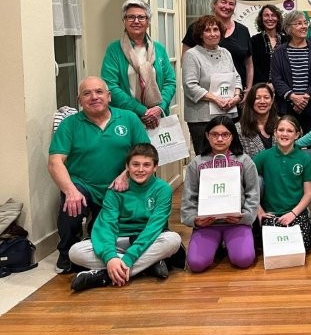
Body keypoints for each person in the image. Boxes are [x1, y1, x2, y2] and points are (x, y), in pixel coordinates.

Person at [48, 76, 150, 274]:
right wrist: (70, 191)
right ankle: (67, 252)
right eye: (87, 93)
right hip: (84, 185)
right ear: (79, 100)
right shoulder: (69, 124)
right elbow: (55, 162)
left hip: (120, 186)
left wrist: (126, 174)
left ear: (109, 96)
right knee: (71, 205)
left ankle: (129, 252)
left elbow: (146, 154)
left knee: (129, 223)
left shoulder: (128, 118)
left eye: (99, 92)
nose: (94, 97)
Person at [68, 143, 182, 291]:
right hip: (118, 240)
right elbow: (106, 225)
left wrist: (128, 258)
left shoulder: (163, 189)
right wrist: (110, 257)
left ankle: (104, 275)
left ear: (155, 167)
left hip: (148, 240)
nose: (140, 169)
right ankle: (146, 265)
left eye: (146, 165)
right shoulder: (116, 189)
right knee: (75, 252)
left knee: (173, 240)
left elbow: (154, 227)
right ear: (127, 166)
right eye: (135, 164)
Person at [180, 116, 259, 272]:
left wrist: (244, 217)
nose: (220, 139)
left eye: (225, 134)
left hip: (237, 223)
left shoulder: (245, 161)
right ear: (207, 136)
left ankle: (226, 244)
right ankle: (216, 245)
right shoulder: (196, 163)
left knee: (244, 260)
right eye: (215, 134)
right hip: (207, 224)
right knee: (196, 264)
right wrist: (195, 220)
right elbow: (189, 197)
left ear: (232, 136)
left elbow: (253, 193)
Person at [100, 0, 176, 130]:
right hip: (126, 117)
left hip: (157, 117)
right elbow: (110, 85)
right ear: (124, 21)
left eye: (141, 17)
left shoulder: (158, 49)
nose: (136, 21)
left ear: (148, 22)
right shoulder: (114, 50)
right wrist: (142, 110)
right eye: (130, 17)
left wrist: (159, 108)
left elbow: (170, 82)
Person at [252, 114, 311, 252]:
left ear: (297, 135)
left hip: (296, 212)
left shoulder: (305, 159)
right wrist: (259, 210)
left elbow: (309, 193)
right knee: (273, 248)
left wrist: (293, 213)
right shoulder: (264, 156)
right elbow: (246, 184)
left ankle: (306, 222)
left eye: (290, 131)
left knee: (302, 246)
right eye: (281, 130)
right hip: (271, 213)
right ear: (275, 132)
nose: (284, 134)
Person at [182, 14, 243, 154]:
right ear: (200, 34)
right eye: (207, 30)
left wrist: (236, 96)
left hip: (226, 115)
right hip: (202, 118)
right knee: (206, 159)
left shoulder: (226, 53)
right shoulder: (192, 54)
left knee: (230, 156)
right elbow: (190, 86)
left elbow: (236, 77)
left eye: (215, 29)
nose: (212, 34)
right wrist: (216, 99)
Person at [182, 0, 253, 92]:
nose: (227, 7)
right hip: (205, 93)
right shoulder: (196, 28)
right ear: (214, 4)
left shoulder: (243, 30)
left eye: (231, 4)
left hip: (236, 92)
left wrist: (248, 89)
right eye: (223, 2)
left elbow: (249, 64)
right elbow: (185, 60)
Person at [271, 10, 311, 135]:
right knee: (287, 141)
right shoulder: (279, 52)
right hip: (287, 108)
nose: (304, 26)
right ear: (288, 28)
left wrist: (305, 98)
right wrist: (293, 97)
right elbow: (276, 78)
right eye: (299, 23)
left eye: (305, 23)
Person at [235, 83, 278, 157]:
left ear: (272, 100)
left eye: (266, 97)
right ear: (251, 101)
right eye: (257, 98)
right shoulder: (238, 129)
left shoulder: (282, 124)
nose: (262, 101)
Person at [250, 4, 287, 85]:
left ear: (278, 19)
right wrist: (266, 85)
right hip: (261, 86)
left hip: (284, 86)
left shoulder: (286, 40)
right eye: (266, 15)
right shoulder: (254, 40)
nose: (270, 19)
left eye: (273, 15)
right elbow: (254, 66)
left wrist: (279, 85)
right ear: (261, 19)